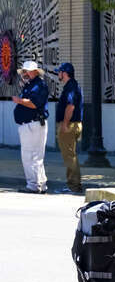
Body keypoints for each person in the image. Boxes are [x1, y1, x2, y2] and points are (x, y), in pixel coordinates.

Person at [12, 60, 49, 194]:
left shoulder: (38, 85)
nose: (25, 73)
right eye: (25, 71)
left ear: (34, 71)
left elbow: (34, 104)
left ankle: (33, 185)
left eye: (27, 71)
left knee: (29, 155)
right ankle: (40, 184)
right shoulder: (32, 84)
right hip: (32, 123)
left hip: (32, 123)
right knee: (36, 155)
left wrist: (19, 101)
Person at [55, 62, 84, 194]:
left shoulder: (70, 87)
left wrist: (65, 124)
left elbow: (70, 106)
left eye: (59, 72)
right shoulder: (72, 86)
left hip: (70, 124)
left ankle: (73, 186)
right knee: (70, 155)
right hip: (73, 124)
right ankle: (73, 184)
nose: (58, 74)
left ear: (64, 73)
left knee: (69, 156)